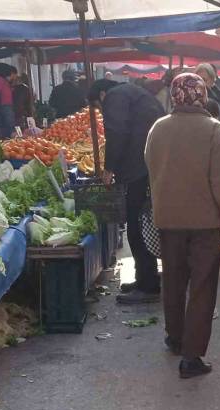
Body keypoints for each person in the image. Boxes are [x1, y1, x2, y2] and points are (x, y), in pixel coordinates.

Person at [145, 73, 220, 378]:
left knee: (174, 282)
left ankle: (175, 337)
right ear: (202, 96)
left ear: (174, 96)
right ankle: (191, 357)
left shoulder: (158, 129)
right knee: (202, 287)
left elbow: (152, 168)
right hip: (205, 225)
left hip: (168, 221)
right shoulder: (215, 131)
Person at [98, 81, 166, 304]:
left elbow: (116, 132)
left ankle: (148, 285)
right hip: (150, 162)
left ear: (101, 94)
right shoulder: (135, 94)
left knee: (137, 224)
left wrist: (109, 167)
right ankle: (145, 277)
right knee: (143, 222)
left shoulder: (115, 97)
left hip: (138, 167)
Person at [195, 63, 220, 129]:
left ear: (212, 80)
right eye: (198, 80)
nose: (201, 84)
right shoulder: (190, 98)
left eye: (204, 80)